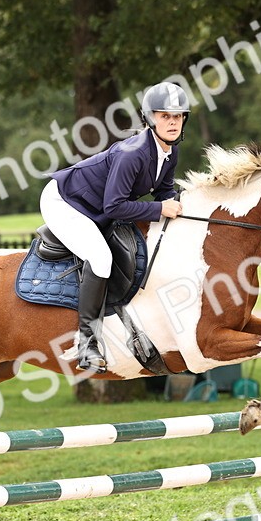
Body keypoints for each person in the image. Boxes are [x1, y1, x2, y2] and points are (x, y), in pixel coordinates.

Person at [40, 82, 190, 372]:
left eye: (178, 116)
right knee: (100, 258)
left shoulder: (169, 152)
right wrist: (161, 208)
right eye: (164, 115)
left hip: (93, 206)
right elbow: (115, 207)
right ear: (149, 118)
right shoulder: (132, 153)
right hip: (65, 201)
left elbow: (165, 192)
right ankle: (86, 344)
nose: (172, 122)